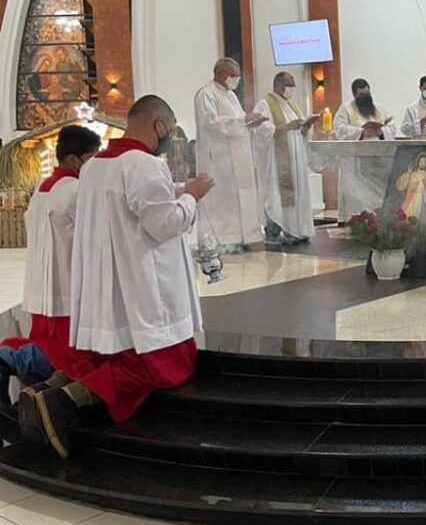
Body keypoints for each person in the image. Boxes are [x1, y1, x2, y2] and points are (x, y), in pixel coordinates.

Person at [18, 96, 215, 458]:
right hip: (143, 287)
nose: (169, 136)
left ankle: (50, 387)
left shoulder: (97, 166)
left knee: (110, 355)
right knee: (167, 364)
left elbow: (127, 202)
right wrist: (194, 199)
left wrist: (177, 190)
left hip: (109, 287)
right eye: (169, 129)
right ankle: (64, 400)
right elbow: (163, 223)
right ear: (158, 126)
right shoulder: (143, 163)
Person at [0, 126, 101, 404]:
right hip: (66, 286)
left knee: (50, 347)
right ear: (73, 160)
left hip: (41, 290)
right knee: (72, 356)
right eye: (93, 157)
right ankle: (8, 358)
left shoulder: (42, 188)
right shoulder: (76, 191)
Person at [194, 57, 265, 253]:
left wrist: (250, 122)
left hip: (239, 156)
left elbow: (239, 120)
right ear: (220, 74)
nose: (237, 80)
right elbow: (211, 123)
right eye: (234, 76)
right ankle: (224, 240)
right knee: (223, 200)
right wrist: (243, 121)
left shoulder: (231, 96)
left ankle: (242, 238)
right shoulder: (206, 95)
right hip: (220, 160)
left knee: (241, 197)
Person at [252, 72, 319, 246]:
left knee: (296, 195)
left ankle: (295, 230)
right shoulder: (265, 103)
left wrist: (306, 127)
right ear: (278, 84)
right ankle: (273, 231)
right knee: (275, 196)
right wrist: (286, 127)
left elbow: (301, 133)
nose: (291, 89)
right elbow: (260, 130)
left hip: (295, 159)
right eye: (289, 85)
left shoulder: (293, 106)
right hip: (277, 161)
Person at [334, 78, 397, 222]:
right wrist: (361, 132)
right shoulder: (346, 108)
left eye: (367, 94)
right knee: (360, 197)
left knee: (378, 194)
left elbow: (392, 126)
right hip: (356, 161)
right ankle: (358, 221)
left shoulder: (379, 108)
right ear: (354, 94)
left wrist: (381, 132)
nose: (365, 97)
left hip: (379, 160)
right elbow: (339, 129)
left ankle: (380, 219)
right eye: (361, 95)